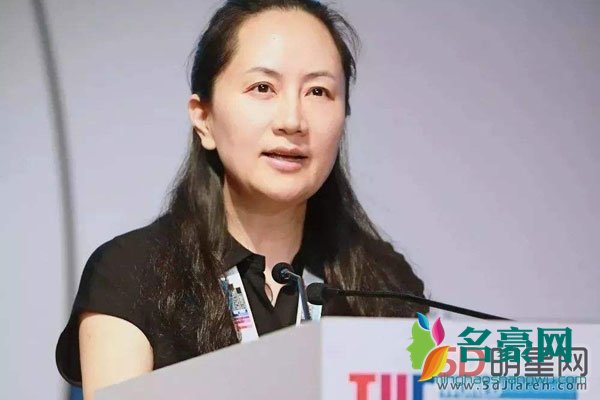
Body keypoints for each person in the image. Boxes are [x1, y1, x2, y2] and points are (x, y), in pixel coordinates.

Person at [55, 0, 428, 398]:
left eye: (318, 91)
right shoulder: (130, 274)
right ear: (204, 118)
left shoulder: (383, 283)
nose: (292, 121)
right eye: (262, 88)